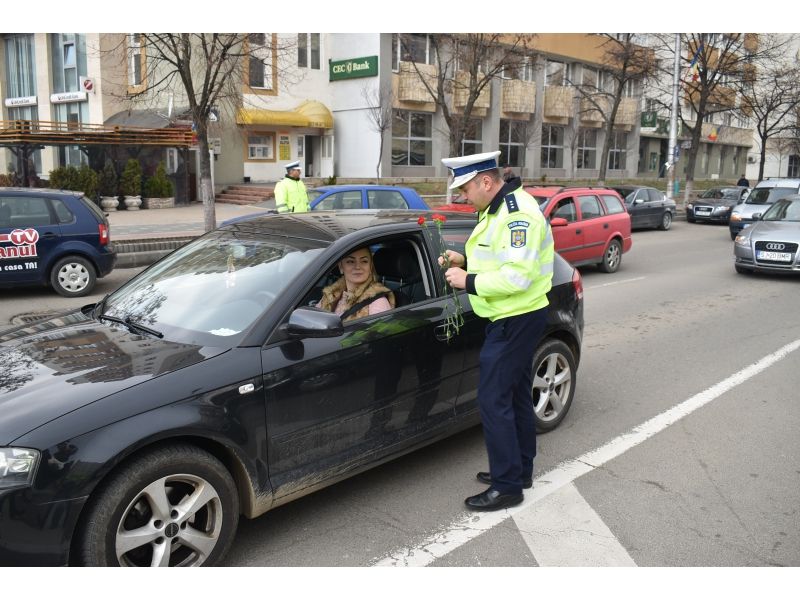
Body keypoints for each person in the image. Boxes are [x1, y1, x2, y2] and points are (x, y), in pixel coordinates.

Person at [440, 150, 554, 512]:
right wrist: (466, 260)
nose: (462, 196)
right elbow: (502, 258)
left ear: (485, 182)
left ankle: (507, 487)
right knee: (516, 395)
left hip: (515, 317)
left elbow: (516, 277)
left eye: (465, 189)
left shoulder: (517, 215)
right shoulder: (497, 208)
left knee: (493, 400)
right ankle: (517, 472)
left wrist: (466, 280)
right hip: (512, 316)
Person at [317, 247, 395, 321]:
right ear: (341, 267)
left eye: (364, 261)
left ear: (370, 267)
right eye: (351, 261)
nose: (358, 267)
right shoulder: (330, 295)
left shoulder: (377, 302)